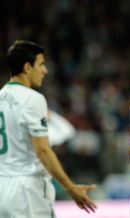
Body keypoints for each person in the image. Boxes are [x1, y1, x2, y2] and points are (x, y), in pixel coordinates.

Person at [0, 40, 96, 218]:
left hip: (2, 190)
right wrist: (71, 188)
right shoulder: (32, 99)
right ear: (28, 67)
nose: (45, 70)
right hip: (27, 193)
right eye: (41, 64)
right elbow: (43, 150)